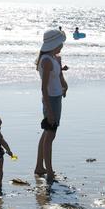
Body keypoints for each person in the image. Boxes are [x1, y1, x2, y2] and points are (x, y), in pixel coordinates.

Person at [34, 29, 68, 180]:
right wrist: (49, 110)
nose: (62, 46)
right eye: (61, 43)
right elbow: (44, 88)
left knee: (47, 133)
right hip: (51, 100)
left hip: (56, 98)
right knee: (50, 135)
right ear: (54, 43)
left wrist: (64, 86)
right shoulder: (46, 61)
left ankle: (40, 167)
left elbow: (59, 77)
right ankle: (49, 171)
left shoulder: (53, 58)